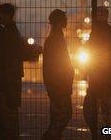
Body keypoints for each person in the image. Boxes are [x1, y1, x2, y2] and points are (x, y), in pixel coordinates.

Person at [0, 3, 42, 139]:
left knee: (8, 115)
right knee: (10, 114)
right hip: (12, 77)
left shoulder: (8, 34)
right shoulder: (12, 32)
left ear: (6, 15)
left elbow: (13, 55)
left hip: (9, 79)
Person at [83, 6, 111, 140]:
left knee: (92, 109)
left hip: (99, 77)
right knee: (107, 111)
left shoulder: (96, 32)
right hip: (107, 78)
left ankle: (96, 134)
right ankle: (108, 135)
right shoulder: (110, 32)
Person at [42, 9, 74, 140]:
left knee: (57, 115)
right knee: (64, 114)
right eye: (64, 19)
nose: (67, 21)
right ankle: (50, 136)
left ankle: (53, 136)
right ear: (59, 21)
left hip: (56, 84)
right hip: (59, 84)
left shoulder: (54, 37)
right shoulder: (56, 39)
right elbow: (59, 64)